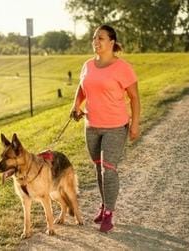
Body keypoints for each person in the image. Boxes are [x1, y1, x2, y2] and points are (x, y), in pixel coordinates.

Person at [70, 24, 141, 233]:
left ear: (111, 42)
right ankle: (103, 206)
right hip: (91, 126)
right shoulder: (87, 65)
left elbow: (135, 98)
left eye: (100, 38)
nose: (96, 42)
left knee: (108, 170)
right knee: (98, 169)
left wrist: (135, 124)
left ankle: (109, 213)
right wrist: (76, 106)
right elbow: (82, 87)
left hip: (116, 127)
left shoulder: (123, 68)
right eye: (94, 38)